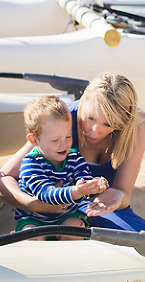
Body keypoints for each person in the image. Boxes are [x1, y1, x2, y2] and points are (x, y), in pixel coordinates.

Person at [0, 73, 145, 235]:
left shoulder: (138, 124)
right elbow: (2, 178)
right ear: (82, 102)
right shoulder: (61, 121)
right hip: (61, 208)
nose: (95, 131)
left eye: (109, 124)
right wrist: (32, 205)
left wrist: (119, 195)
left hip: (104, 208)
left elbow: (122, 191)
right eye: (90, 118)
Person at [14, 95, 106, 240]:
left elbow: (83, 176)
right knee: (31, 234)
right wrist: (75, 191)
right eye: (55, 140)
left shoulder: (74, 157)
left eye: (68, 136)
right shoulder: (31, 164)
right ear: (34, 140)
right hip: (35, 220)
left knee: (75, 228)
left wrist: (89, 186)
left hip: (67, 215)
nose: (64, 144)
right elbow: (46, 193)